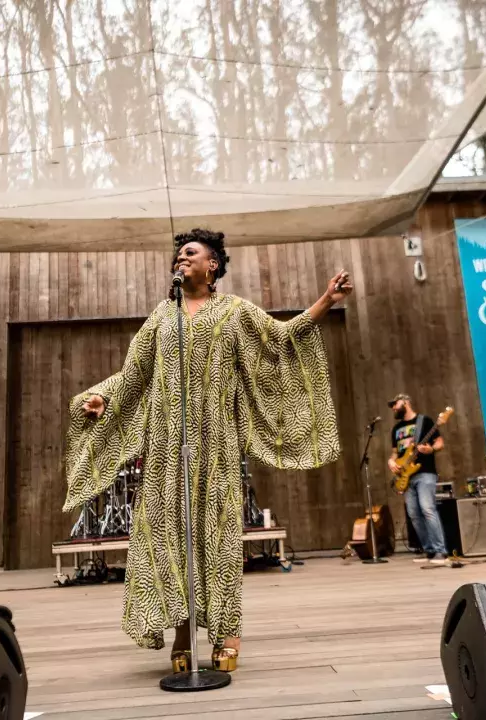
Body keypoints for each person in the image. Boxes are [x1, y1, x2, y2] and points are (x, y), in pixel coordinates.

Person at [65, 228, 352, 674]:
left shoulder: (235, 312)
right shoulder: (162, 316)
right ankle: (183, 631)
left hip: (215, 446)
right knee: (169, 540)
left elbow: (281, 337)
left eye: (191, 253)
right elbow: (132, 375)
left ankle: (226, 632)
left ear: (212, 265)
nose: (181, 258)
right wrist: (106, 398)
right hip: (165, 452)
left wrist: (326, 301)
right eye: (178, 254)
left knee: (217, 539)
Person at [387, 393, 447, 564]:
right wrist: (391, 461)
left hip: (425, 472)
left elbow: (440, 442)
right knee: (414, 514)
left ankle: (440, 551)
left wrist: (431, 449)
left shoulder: (425, 421)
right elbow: (394, 453)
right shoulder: (396, 429)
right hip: (405, 476)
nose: (393, 408)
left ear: (406, 402)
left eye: (395, 404)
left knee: (428, 509)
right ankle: (428, 550)